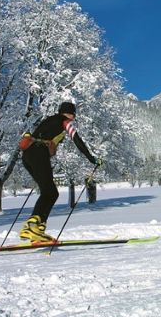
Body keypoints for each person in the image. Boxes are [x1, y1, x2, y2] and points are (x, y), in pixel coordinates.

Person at [18, 101, 101, 242]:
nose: (73, 118)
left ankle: (37, 230)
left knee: (49, 192)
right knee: (49, 192)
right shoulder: (64, 121)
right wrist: (91, 158)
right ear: (70, 113)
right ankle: (32, 226)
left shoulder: (48, 120)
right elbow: (77, 139)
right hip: (38, 154)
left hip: (27, 156)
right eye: (73, 115)